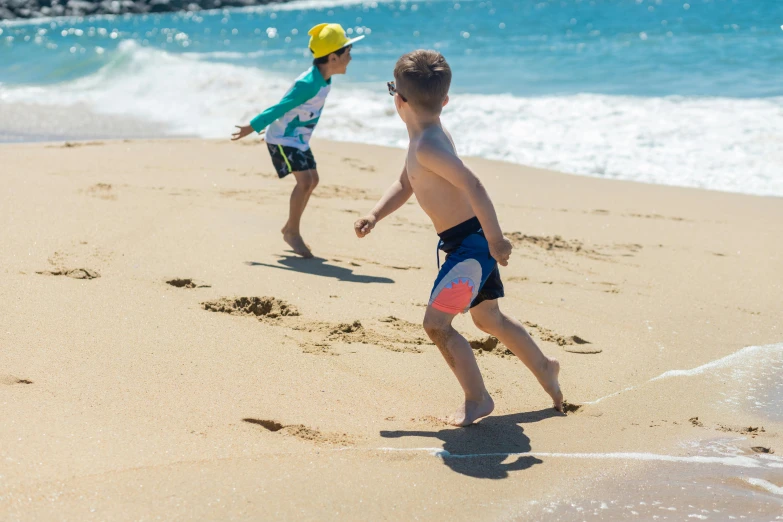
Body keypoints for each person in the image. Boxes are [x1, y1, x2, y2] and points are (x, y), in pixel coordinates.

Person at [354, 50, 563, 426]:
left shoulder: (429, 145)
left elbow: (473, 184)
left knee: (437, 325)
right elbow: (406, 183)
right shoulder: (425, 136)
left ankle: (477, 398)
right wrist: (375, 214)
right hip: (468, 243)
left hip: (470, 248)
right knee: (489, 319)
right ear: (444, 101)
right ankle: (546, 368)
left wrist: (496, 240)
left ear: (398, 100)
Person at [232, 23, 364, 258]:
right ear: (333, 57)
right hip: (283, 139)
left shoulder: (323, 79)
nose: (350, 57)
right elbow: (281, 106)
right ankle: (292, 232)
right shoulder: (308, 83)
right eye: (347, 52)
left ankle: (289, 228)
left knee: (313, 180)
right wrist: (252, 127)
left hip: (298, 139)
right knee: (304, 182)